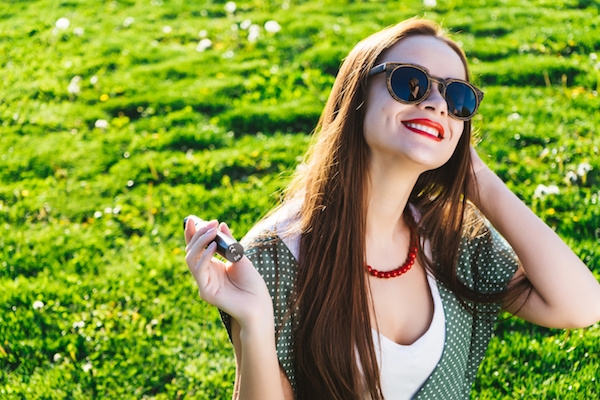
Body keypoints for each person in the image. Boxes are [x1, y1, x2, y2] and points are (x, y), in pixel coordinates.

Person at [184, 18, 600, 400]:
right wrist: (255, 323)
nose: (437, 104)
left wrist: (476, 178)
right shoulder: (272, 258)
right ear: (356, 95)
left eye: (458, 98)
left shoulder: (452, 236)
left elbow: (581, 306)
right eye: (411, 83)